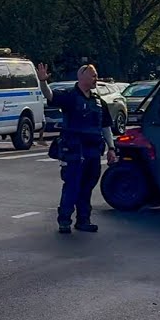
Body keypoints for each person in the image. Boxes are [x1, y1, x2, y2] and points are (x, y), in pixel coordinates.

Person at [52, 64, 118, 234]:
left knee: (87, 186)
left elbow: (105, 127)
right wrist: (44, 82)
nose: (96, 78)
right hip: (74, 150)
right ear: (82, 77)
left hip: (93, 151)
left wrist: (111, 148)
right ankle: (64, 220)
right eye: (93, 76)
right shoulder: (70, 97)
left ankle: (83, 220)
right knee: (72, 185)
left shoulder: (98, 101)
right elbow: (50, 96)